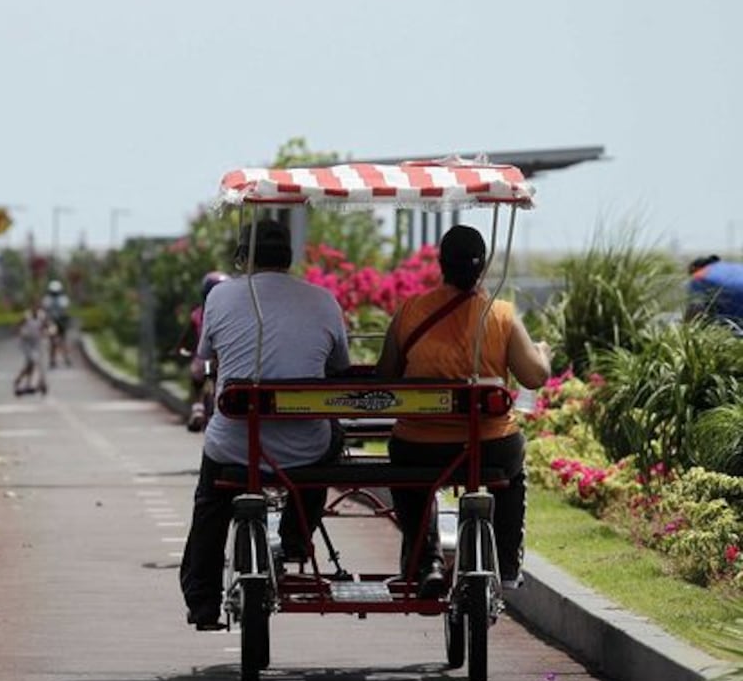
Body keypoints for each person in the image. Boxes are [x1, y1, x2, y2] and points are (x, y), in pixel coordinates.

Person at [180, 219, 350, 629]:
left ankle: (203, 600)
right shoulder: (323, 300)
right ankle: (295, 536)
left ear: (244, 256)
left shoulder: (220, 296)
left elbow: (205, 358)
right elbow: (339, 367)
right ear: (289, 257)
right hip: (303, 448)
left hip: (235, 445)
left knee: (210, 504)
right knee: (328, 444)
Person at [375, 224, 551, 598]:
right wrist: (545, 354)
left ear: (440, 264)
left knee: (406, 472)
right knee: (513, 474)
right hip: (487, 445)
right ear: (483, 268)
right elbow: (534, 377)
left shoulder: (410, 312)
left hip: (420, 446)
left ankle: (426, 560)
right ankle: (506, 562)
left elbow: (385, 375)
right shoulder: (500, 315)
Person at [184, 271, 230, 432]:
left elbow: (189, 340)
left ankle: (197, 408)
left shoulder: (198, 314)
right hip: (222, 362)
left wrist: (183, 350)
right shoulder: (229, 315)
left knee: (196, 383)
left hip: (203, 361)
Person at [687, 255, 743, 332]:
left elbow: (695, 307)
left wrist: (687, 328)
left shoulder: (700, 276)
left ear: (695, 268)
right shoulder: (735, 266)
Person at [14, 303, 50, 396]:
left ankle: (40, 383)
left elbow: (47, 326)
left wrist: (46, 331)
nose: (35, 310)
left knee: (38, 363)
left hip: (37, 342)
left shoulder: (42, 316)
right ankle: (25, 381)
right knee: (31, 361)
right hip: (26, 342)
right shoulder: (27, 316)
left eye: (37, 308)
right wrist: (20, 333)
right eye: (33, 308)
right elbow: (18, 325)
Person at [42, 279, 73, 367]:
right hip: (52, 323)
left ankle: (65, 359)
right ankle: (53, 360)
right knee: (53, 342)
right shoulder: (48, 299)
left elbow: (66, 311)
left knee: (61, 341)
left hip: (60, 322)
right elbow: (46, 312)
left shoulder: (62, 299)